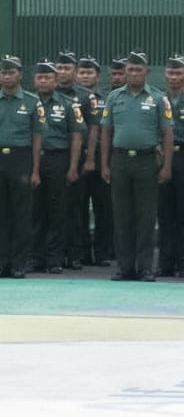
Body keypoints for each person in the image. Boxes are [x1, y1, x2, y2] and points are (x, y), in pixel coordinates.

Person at [99, 51, 174, 281]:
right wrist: (105, 163)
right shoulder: (114, 98)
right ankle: (125, 267)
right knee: (122, 216)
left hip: (146, 161)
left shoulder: (159, 98)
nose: (133, 73)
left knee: (146, 217)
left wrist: (166, 167)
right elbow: (106, 132)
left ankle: (145, 268)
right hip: (120, 161)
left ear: (147, 72)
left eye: (137, 69)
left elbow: (167, 133)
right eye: (129, 69)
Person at [0, 56, 44, 279]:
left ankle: (19, 264)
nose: (7, 76)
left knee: (21, 214)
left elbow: (37, 137)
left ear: (19, 74)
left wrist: (35, 169)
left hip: (21, 158)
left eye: (11, 72)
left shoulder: (32, 101)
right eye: (3, 73)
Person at [30, 60, 84, 274]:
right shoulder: (27, 102)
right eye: (39, 77)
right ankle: (35, 257)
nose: (43, 81)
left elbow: (77, 137)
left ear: (55, 81)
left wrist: (72, 167)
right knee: (34, 211)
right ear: (34, 80)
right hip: (33, 161)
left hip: (58, 159)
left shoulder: (68, 104)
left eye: (48, 77)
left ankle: (54, 258)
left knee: (57, 211)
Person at [55, 51, 100, 270]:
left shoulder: (84, 97)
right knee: (52, 208)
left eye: (67, 68)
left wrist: (90, 157)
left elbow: (92, 129)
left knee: (75, 208)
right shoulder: (46, 94)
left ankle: (75, 254)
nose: (63, 72)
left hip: (76, 157)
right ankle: (52, 252)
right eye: (60, 68)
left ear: (74, 70)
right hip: (53, 157)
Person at [76, 56, 113, 266]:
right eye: (82, 72)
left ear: (97, 76)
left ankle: (102, 253)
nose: (85, 76)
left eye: (89, 72)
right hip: (77, 158)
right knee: (78, 207)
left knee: (103, 208)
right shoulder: (71, 99)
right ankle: (81, 252)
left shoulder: (107, 98)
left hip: (102, 158)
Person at [157, 54, 184, 277]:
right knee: (165, 212)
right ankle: (166, 262)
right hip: (163, 157)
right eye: (171, 72)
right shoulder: (158, 97)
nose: (174, 77)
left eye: (178, 72)